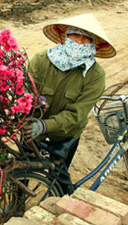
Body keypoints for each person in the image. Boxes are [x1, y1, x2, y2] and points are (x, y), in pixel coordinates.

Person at [25, 13, 116, 194]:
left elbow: (76, 115)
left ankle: (59, 202)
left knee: (58, 177)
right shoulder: (41, 60)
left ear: (94, 45)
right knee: (23, 168)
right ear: (64, 36)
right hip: (31, 130)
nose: (79, 41)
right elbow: (24, 91)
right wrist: (33, 105)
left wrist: (45, 125)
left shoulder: (95, 76)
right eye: (75, 35)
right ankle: (18, 201)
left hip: (65, 135)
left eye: (86, 38)